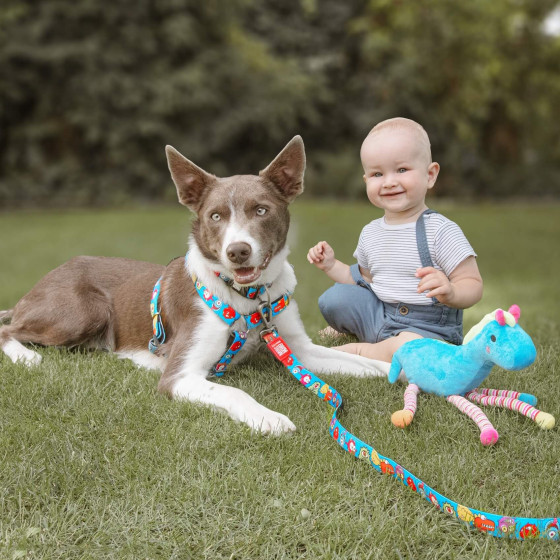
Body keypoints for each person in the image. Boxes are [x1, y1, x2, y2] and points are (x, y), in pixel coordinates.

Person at [307, 117, 483, 363]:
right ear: (366, 181)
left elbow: (473, 283)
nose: (389, 182)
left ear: (430, 175)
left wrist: (452, 292)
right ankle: (373, 338)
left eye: (401, 170)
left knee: (410, 345)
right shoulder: (370, 232)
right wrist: (330, 265)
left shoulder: (440, 230)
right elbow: (363, 281)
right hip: (382, 316)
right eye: (377, 174)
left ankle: (361, 351)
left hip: (427, 328)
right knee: (334, 299)